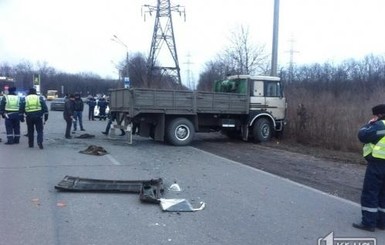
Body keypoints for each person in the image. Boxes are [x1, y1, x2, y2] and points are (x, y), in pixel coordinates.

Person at [353, 104, 385, 232]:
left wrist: (368, 124)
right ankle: (382, 222)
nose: (373, 117)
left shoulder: (380, 125)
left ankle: (368, 223)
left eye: (375, 115)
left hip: (378, 164)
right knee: (383, 194)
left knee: (370, 192)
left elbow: (363, 135)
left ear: (380, 115)